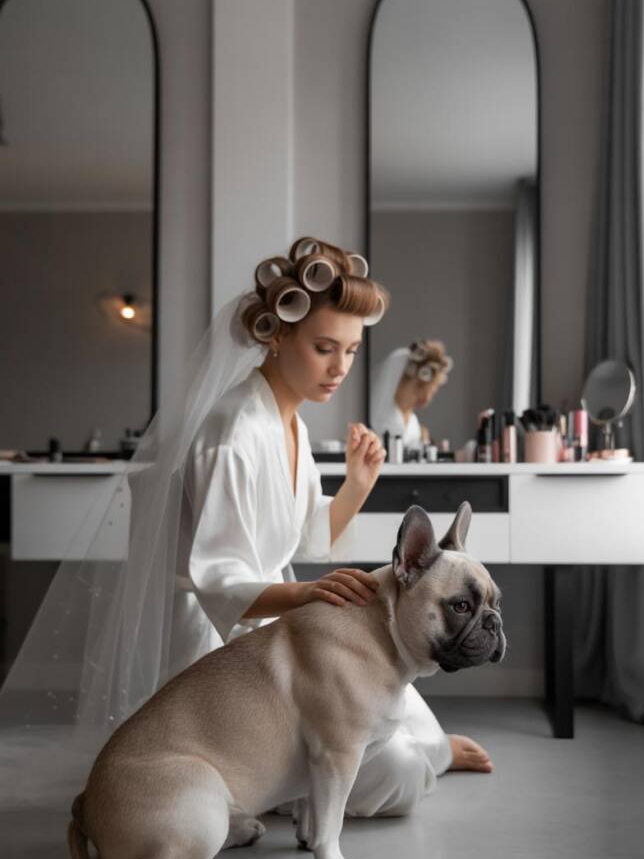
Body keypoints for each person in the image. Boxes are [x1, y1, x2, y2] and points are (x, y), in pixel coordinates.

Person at [1, 236, 491, 816]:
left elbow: (306, 537)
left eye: (352, 351)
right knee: (402, 771)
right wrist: (308, 595)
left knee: (404, 713)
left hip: (275, 625)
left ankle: (396, 757)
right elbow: (220, 581)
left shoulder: (291, 423)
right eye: (324, 348)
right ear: (277, 336)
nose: (339, 368)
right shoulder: (231, 435)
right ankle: (264, 783)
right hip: (222, 647)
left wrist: (357, 487)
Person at [370, 340, 453, 451]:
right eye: (418, 388)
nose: (426, 399)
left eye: (432, 392)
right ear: (396, 382)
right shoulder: (376, 422)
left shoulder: (414, 425)